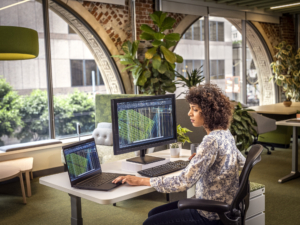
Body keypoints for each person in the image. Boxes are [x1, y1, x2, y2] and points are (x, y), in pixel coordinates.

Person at [112, 84, 246, 225]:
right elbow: (242, 160)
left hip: (209, 213)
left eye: (194, 109)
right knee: (153, 213)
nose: (189, 113)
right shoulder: (225, 133)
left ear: (208, 113)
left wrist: (141, 180)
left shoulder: (211, 140)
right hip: (224, 206)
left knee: (149, 223)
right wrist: (209, 160)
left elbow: (184, 182)